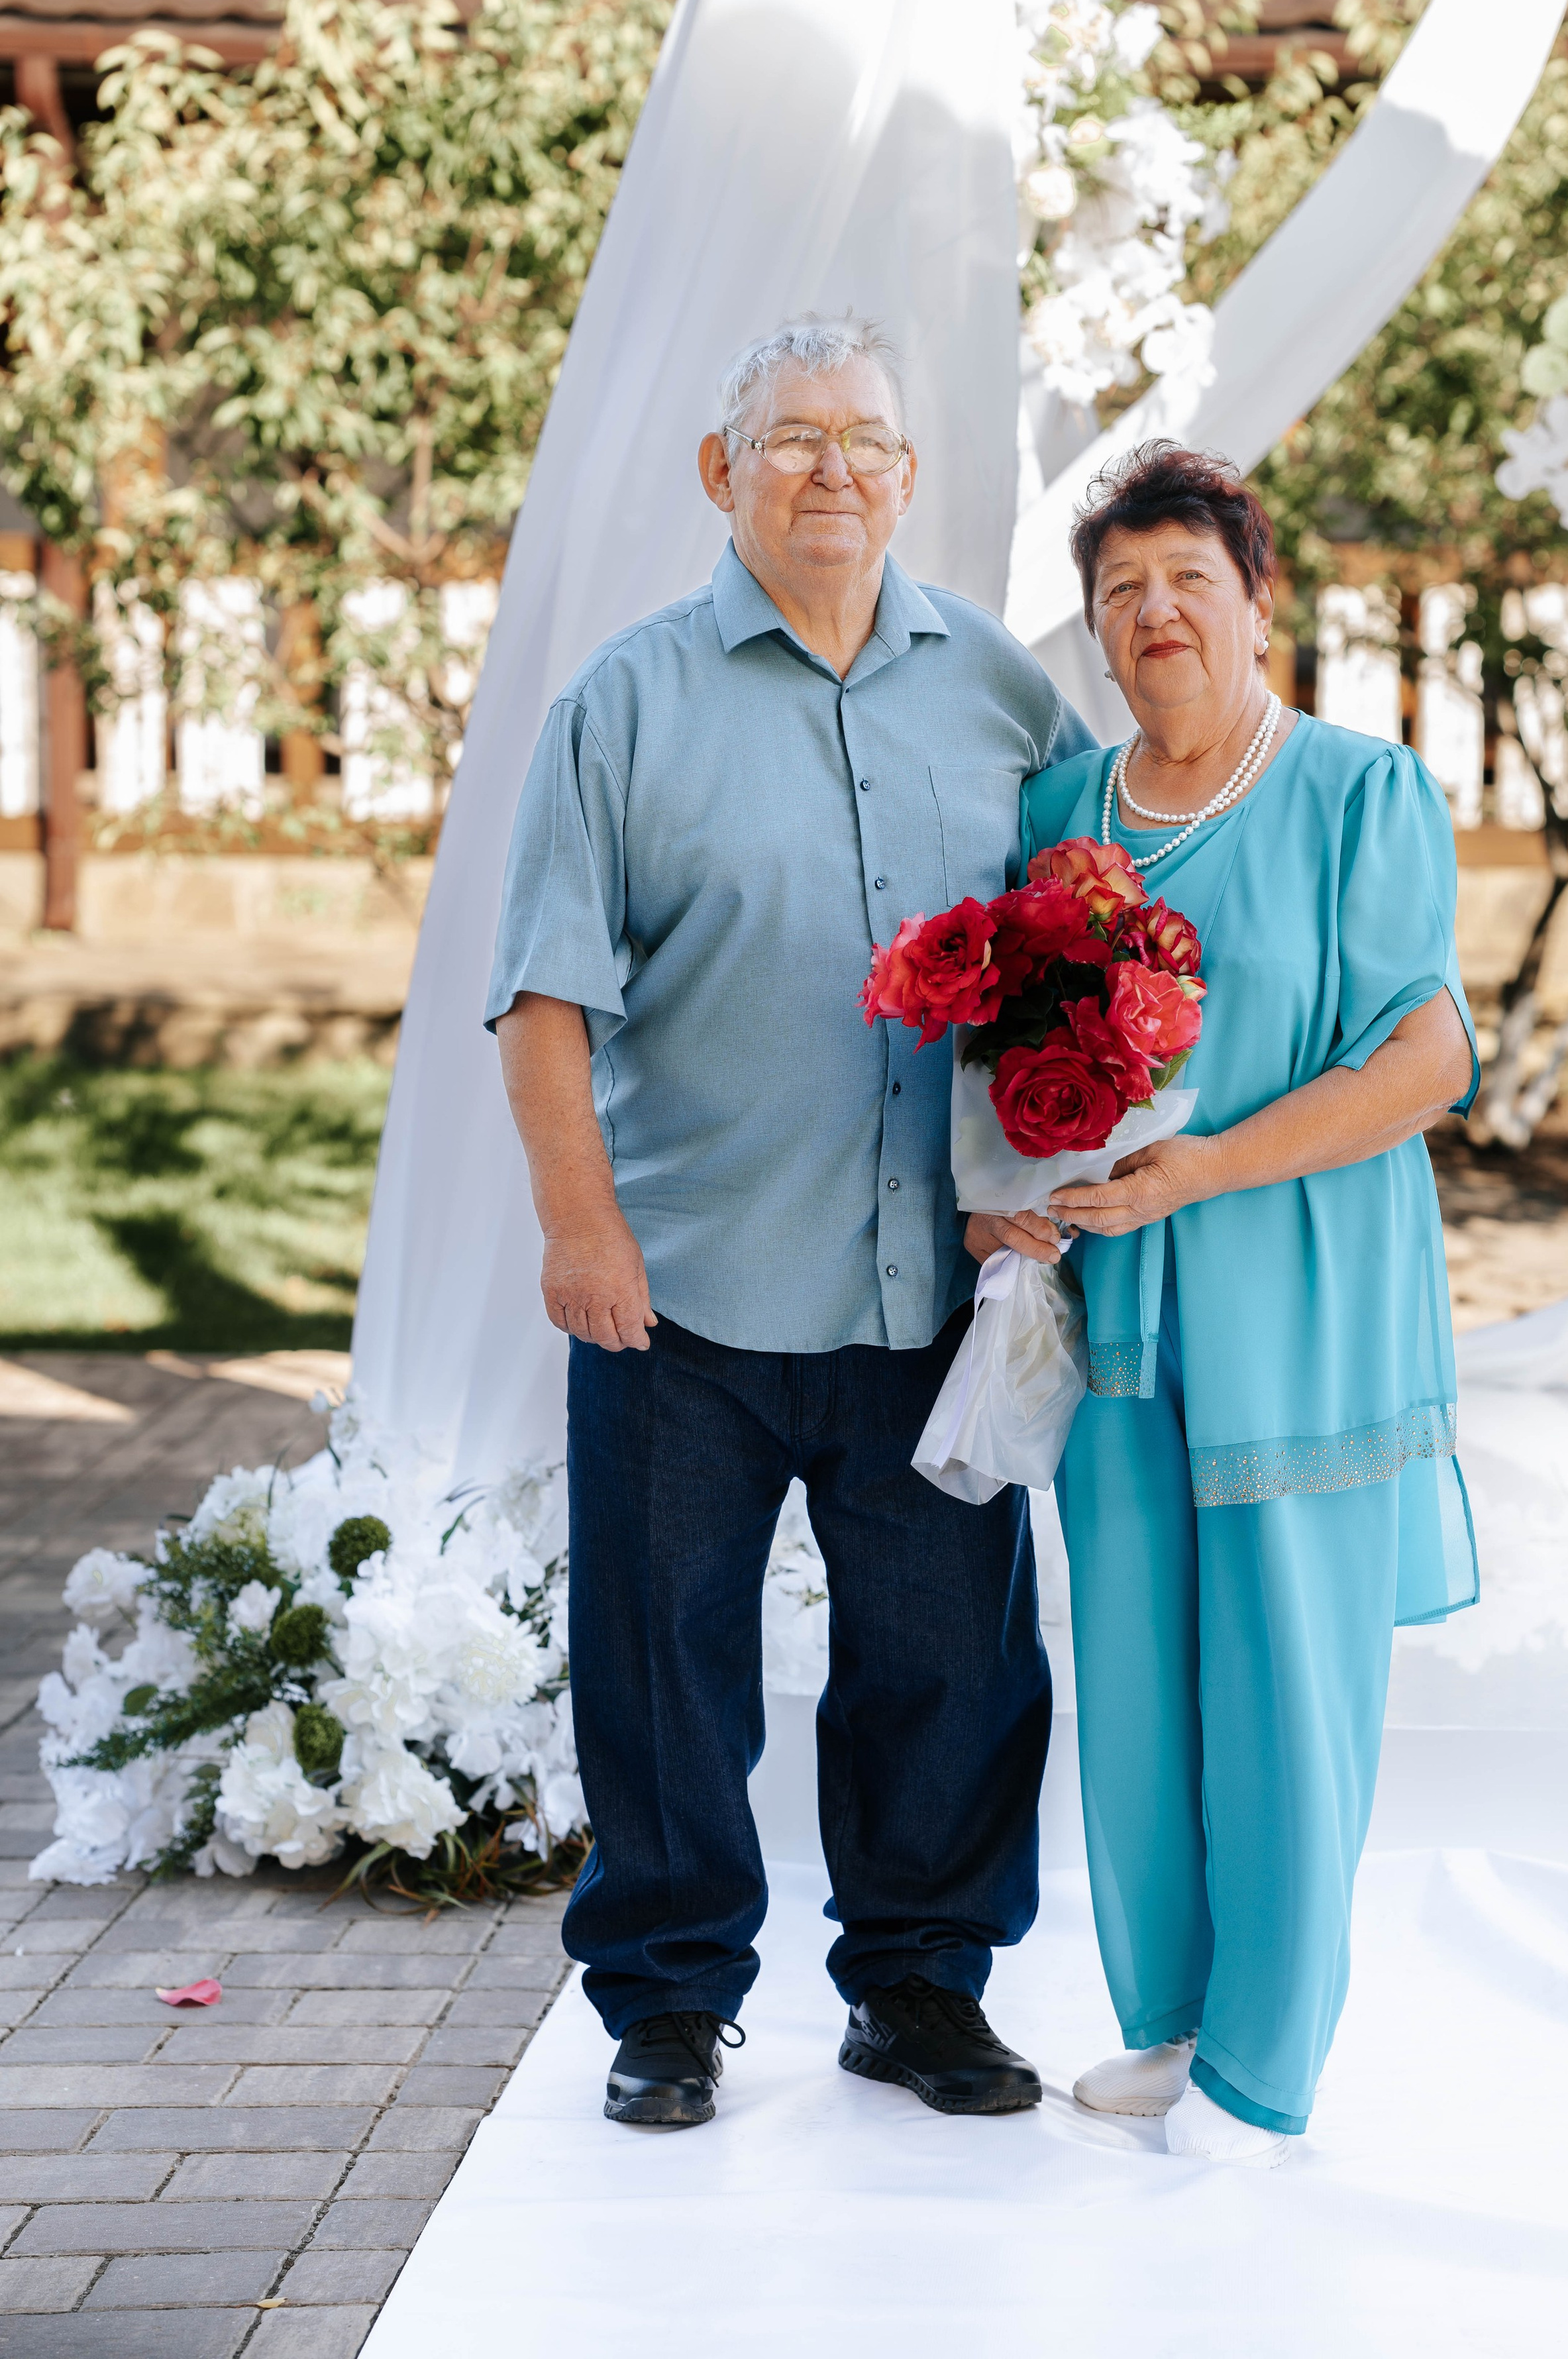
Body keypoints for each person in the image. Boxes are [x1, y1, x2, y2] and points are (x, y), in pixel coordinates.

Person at [488, 315, 1094, 2128]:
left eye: (868, 439)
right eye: (794, 436)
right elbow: (543, 1001)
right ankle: (668, 2005)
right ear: (721, 472)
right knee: (665, 1664)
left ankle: (917, 1986)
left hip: (931, 1286)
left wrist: (1050, 1165)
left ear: (912, 476)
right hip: (682, 1291)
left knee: (948, 1660)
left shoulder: (999, 690)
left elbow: (1087, 946)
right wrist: (578, 1229)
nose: (834, 467)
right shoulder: (628, 700)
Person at [970, 441, 1481, 2168]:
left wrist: (1212, 1168)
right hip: (1120, 1316)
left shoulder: (1362, 792)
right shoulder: (1064, 818)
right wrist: (1020, 1180)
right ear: (1100, 637)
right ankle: (1173, 2021)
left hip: (1300, 1297)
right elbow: (1016, 1059)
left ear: (1257, 600)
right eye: (1123, 592)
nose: (1156, 611)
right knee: (1137, 1670)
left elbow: (1428, 1054)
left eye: (1189, 576)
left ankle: (1266, 2074)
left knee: (1285, 1680)